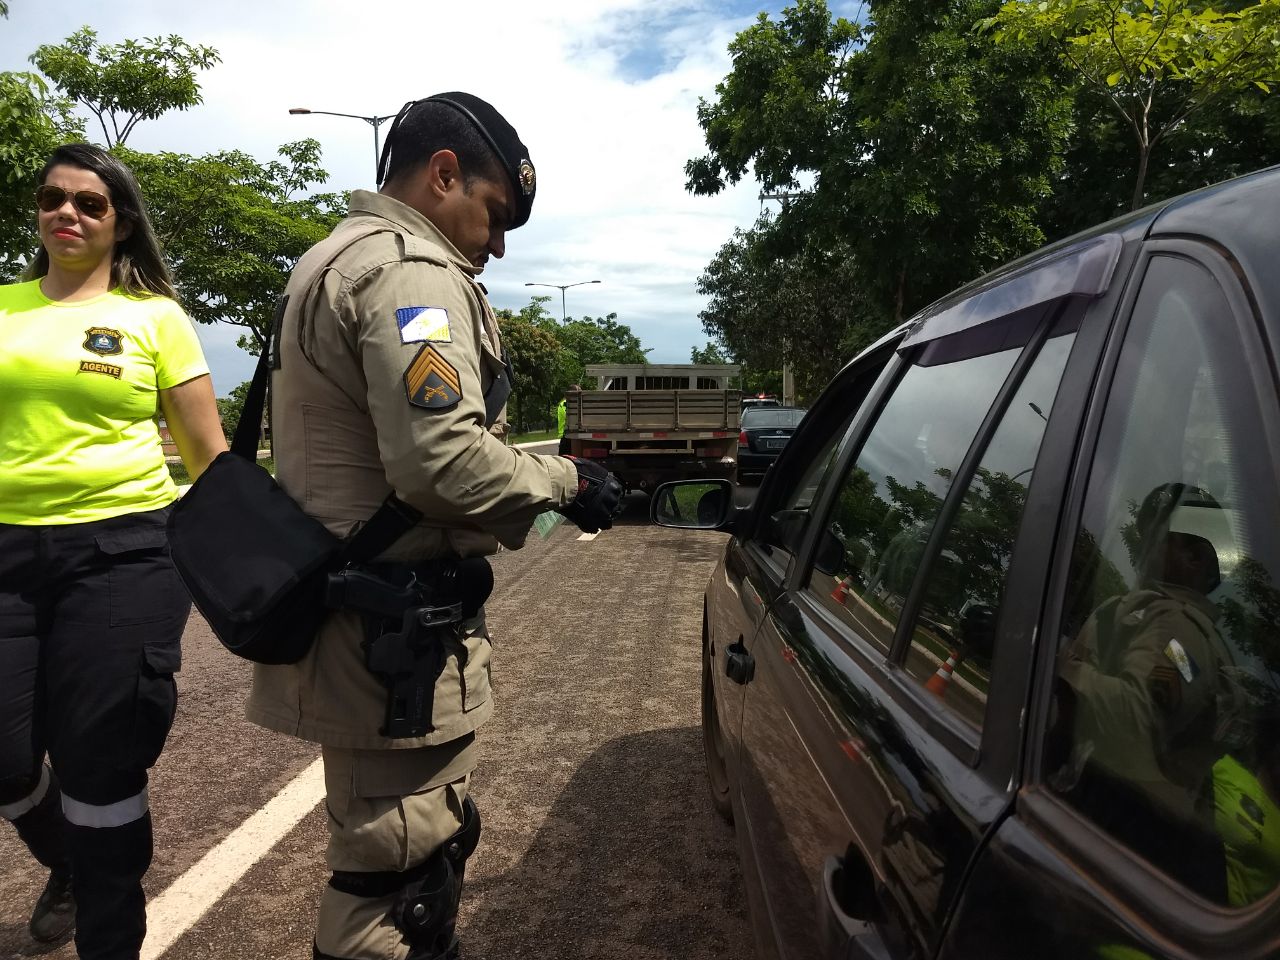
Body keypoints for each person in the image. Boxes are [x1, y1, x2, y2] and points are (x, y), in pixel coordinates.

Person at [246, 93, 621, 960]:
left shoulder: (333, 257)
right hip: (387, 632)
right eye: (495, 213)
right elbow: (442, 463)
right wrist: (565, 480)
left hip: (372, 620)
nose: (497, 243)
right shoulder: (410, 272)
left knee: (419, 844)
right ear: (444, 173)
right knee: (397, 888)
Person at [0, 143, 227, 958]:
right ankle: (68, 862)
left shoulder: (155, 317)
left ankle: (109, 936)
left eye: (90, 203)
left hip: (124, 551)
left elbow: (208, 456)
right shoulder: (3, 307)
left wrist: (252, 564)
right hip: (5, 555)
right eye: (53, 198)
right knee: (7, 760)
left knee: (101, 769)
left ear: (119, 222)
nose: (67, 212)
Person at [1054, 483, 1238, 901]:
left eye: (1158, 536)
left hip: (1122, 839)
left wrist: (1051, 667)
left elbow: (1135, 717)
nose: (1145, 545)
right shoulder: (1140, 611)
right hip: (1097, 825)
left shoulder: (1181, 634)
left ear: (1195, 558)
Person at [556, 383, 579, 456]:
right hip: (566, 435)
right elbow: (570, 417)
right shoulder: (564, 404)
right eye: (577, 392)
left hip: (570, 435)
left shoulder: (571, 403)